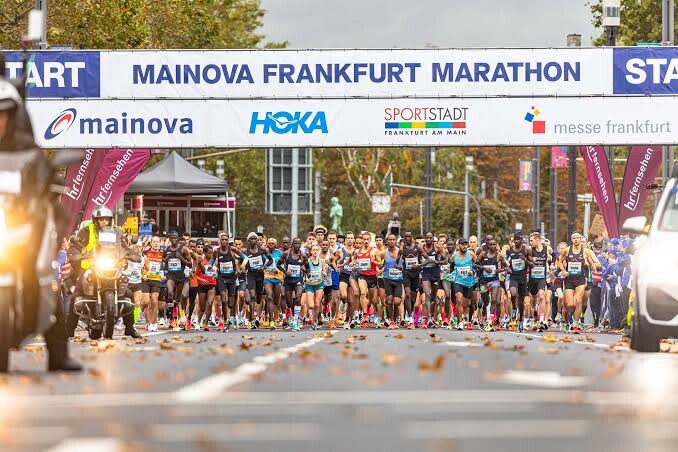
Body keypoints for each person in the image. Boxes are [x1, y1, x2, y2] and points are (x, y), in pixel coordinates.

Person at [69, 206, 141, 339]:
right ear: (95, 220)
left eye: (106, 220)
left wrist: (132, 254)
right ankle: (69, 329)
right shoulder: (87, 231)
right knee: (76, 296)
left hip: (111, 266)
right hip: (90, 267)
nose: (104, 222)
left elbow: (123, 247)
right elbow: (75, 245)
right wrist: (75, 254)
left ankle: (130, 327)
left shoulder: (116, 232)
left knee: (128, 293)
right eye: (101, 219)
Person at [557, 232, 601, 334]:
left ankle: (575, 325)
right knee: (569, 304)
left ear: (581, 240)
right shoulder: (566, 250)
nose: (576, 240)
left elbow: (594, 263)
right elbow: (560, 261)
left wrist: (592, 266)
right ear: (571, 240)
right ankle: (567, 322)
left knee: (578, 301)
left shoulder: (586, 252)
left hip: (581, 279)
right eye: (574, 238)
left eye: (578, 238)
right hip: (569, 279)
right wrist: (563, 270)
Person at [506, 233, 531, 332]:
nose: (516, 241)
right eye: (515, 239)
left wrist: (524, 259)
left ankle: (520, 321)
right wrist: (507, 268)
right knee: (512, 293)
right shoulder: (510, 250)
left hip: (523, 278)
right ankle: (514, 308)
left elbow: (532, 265)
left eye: (518, 239)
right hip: (513, 277)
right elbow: (506, 263)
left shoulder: (526, 250)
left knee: (521, 302)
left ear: (521, 240)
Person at [452, 237, 477, 330]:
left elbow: (477, 265)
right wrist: (450, 273)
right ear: (458, 245)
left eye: (465, 244)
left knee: (466, 304)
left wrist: (472, 271)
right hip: (458, 281)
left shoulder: (471, 254)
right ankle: (460, 322)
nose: (464, 246)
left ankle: (463, 317)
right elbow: (450, 266)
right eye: (462, 244)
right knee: (459, 300)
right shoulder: (454, 256)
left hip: (469, 282)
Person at [527, 232, 550, 332]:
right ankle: (535, 311)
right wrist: (531, 259)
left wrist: (550, 259)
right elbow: (525, 260)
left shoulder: (546, 249)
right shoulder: (529, 250)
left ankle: (541, 320)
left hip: (542, 278)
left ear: (538, 240)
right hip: (532, 278)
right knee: (533, 300)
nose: (530, 242)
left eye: (532, 240)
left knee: (542, 297)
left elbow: (550, 257)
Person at [382, 233, 403, 329]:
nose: (391, 241)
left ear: (395, 241)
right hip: (388, 279)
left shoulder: (400, 251)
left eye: (393, 239)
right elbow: (380, 263)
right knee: (390, 301)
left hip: (398, 279)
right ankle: (392, 321)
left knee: (397, 302)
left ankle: (395, 318)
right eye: (389, 240)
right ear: (387, 241)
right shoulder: (384, 252)